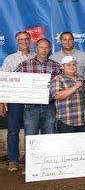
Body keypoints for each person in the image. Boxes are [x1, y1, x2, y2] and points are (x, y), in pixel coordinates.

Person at [0, 31, 35, 172]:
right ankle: (13, 160)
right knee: (13, 130)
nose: (24, 42)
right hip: (15, 101)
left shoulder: (36, 56)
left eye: (26, 39)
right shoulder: (10, 59)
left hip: (33, 100)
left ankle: (29, 159)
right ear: (16, 42)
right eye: (21, 40)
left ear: (30, 40)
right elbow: (2, 80)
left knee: (31, 130)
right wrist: (1, 101)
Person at [14, 39, 61, 140]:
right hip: (30, 107)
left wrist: (53, 86)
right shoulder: (24, 65)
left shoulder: (56, 66)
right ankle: (30, 156)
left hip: (50, 106)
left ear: (49, 49)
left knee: (49, 136)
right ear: (36, 49)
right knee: (31, 138)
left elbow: (61, 85)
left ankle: (48, 156)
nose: (43, 50)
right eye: (41, 47)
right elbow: (14, 82)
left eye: (46, 48)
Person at [51, 56, 85, 133]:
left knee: (83, 145)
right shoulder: (58, 79)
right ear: (62, 67)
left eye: (74, 64)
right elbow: (57, 96)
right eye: (68, 65)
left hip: (83, 121)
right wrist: (75, 87)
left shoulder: (80, 78)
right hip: (66, 120)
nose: (72, 66)